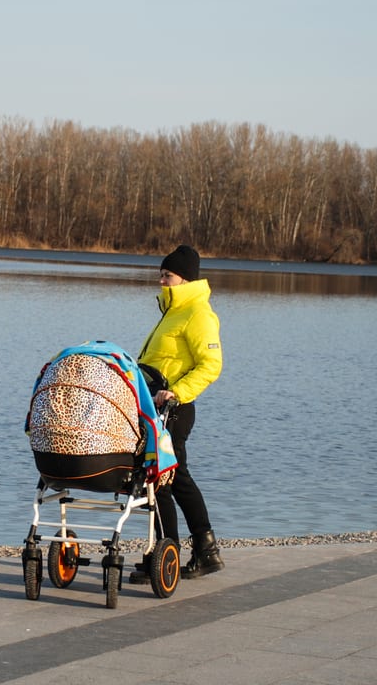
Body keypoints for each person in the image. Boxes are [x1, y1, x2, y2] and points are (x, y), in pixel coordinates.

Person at [137, 244, 224, 578]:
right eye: (160, 275)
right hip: (154, 410)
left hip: (175, 410)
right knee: (162, 481)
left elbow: (211, 365)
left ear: (184, 279)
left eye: (167, 276)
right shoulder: (172, 312)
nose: (161, 281)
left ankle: (179, 553)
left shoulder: (198, 313)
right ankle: (183, 552)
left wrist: (177, 392)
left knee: (169, 479)